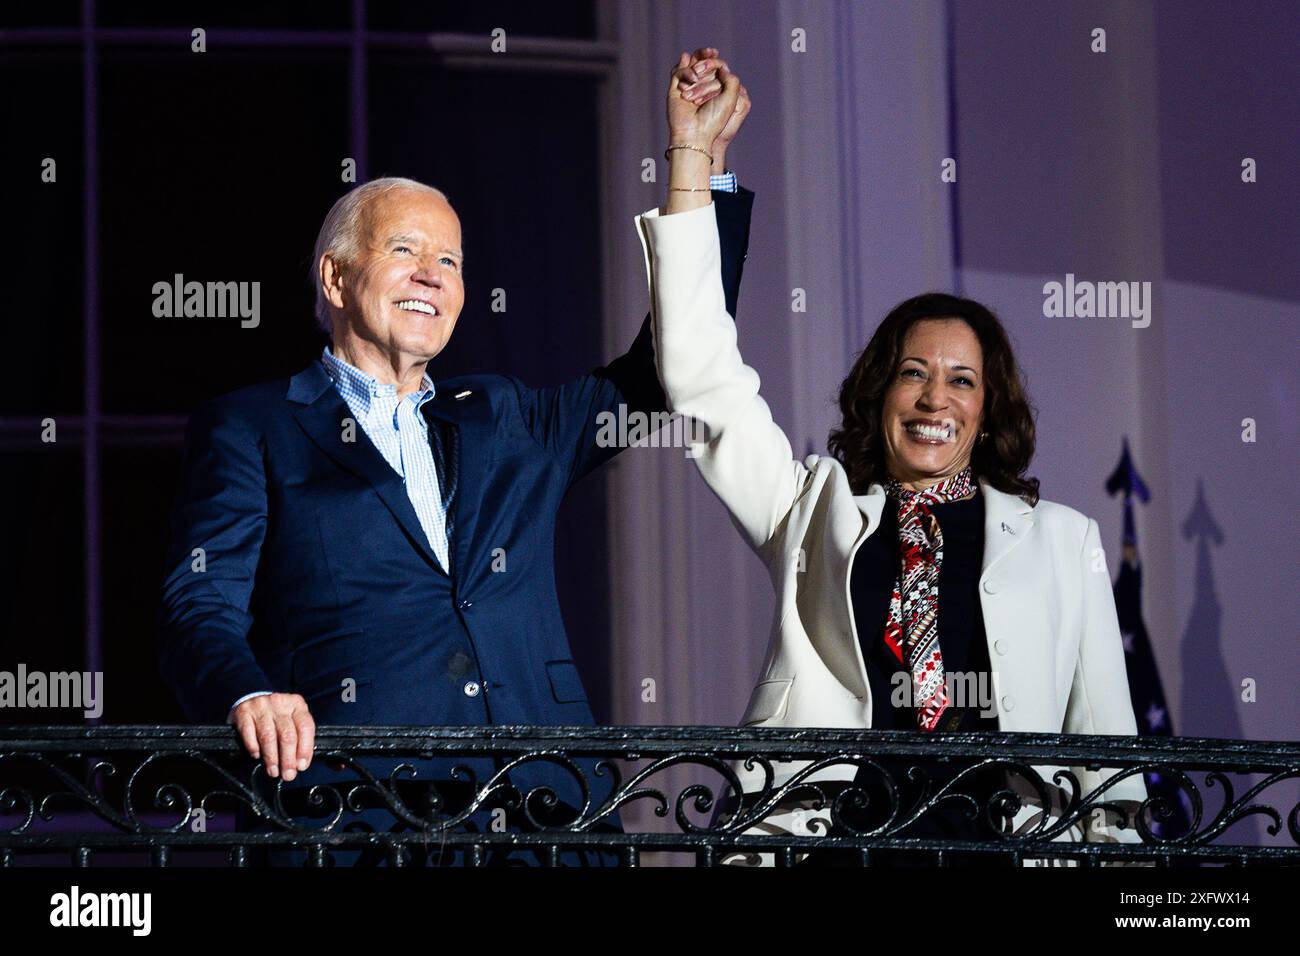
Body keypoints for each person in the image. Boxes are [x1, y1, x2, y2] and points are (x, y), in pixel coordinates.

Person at [156, 52, 753, 865]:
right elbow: (199, 608)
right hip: (356, 817)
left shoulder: (505, 416)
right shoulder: (252, 427)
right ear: (335, 277)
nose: (432, 276)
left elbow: (664, 369)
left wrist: (696, 162)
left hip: (549, 815)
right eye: (406, 251)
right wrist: (249, 693)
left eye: (452, 262)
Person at [634, 57, 1150, 867]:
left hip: (1002, 851)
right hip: (836, 845)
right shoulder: (811, 507)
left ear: (988, 411)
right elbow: (702, 378)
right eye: (913, 372)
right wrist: (694, 159)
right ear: (880, 394)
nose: (933, 398)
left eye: (961, 380)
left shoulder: (1064, 540)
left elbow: (1109, 761)